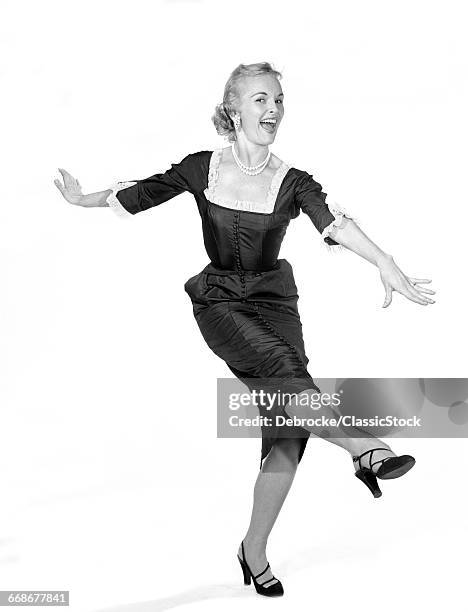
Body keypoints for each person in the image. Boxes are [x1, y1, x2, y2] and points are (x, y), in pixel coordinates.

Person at [54, 61, 436, 598]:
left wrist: (384, 260)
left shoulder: (293, 182)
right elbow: (136, 195)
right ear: (233, 108)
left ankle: (252, 551)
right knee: (286, 374)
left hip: (275, 303)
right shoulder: (200, 168)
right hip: (220, 303)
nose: (273, 110)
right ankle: (364, 448)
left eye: (278, 100)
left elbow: (334, 223)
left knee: (287, 430)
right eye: (260, 100)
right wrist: (82, 198)